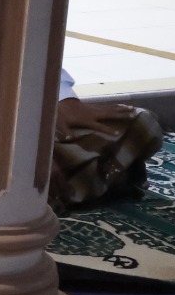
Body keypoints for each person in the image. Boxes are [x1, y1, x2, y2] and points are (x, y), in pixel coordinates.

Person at [49, 68, 163, 212]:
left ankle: (85, 183)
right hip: (16, 148)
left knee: (141, 123)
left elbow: (36, 59)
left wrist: (63, 99)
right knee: (27, 178)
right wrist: (33, 156)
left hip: (42, 132)